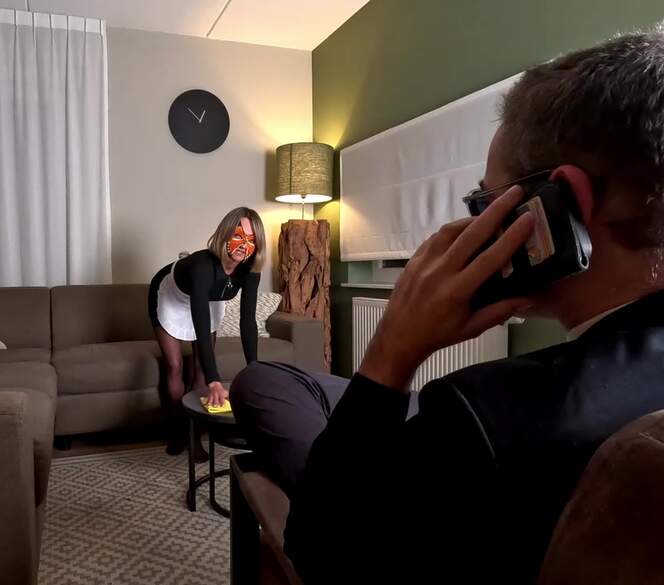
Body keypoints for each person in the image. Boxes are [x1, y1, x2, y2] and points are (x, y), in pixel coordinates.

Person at [231, 30, 664, 585]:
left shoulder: (481, 414)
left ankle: (353, 470)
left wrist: (392, 349)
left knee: (266, 390)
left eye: (485, 202)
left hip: (411, 496)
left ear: (563, 204)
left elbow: (320, 551)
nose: (476, 225)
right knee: (269, 379)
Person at [148, 207, 266, 459]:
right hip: (171, 296)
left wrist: (254, 368)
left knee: (201, 367)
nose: (244, 245)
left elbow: (248, 321)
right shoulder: (202, 265)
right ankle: (177, 431)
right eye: (238, 235)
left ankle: (194, 438)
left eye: (252, 239)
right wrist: (215, 380)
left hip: (208, 298)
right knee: (175, 365)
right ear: (226, 233)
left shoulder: (250, 270)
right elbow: (200, 326)